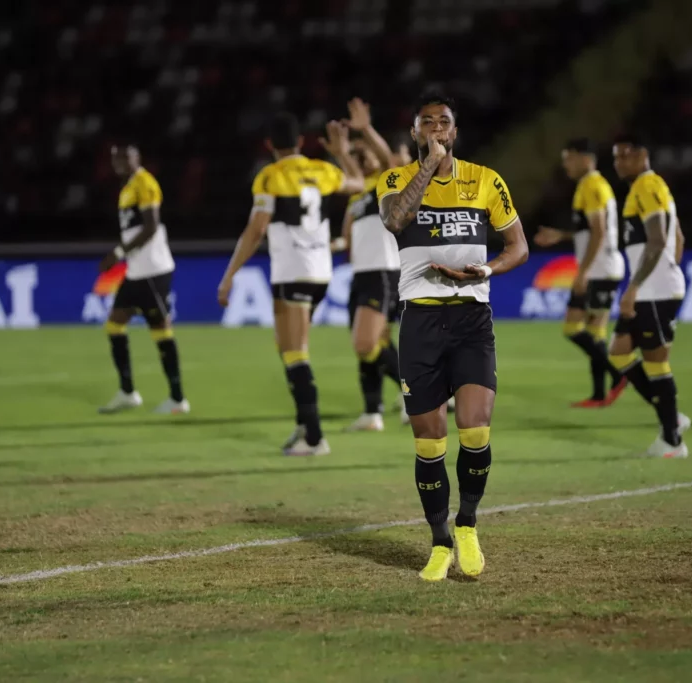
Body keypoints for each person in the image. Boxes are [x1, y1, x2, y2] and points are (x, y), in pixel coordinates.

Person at [377, 91, 529, 581]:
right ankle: (439, 540)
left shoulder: (486, 181)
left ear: (455, 131)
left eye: (444, 123)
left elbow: (518, 247)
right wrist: (431, 167)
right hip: (420, 322)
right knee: (429, 441)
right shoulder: (396, 180)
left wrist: (484, 269)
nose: (437, 130)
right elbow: (396, 219)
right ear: (416, 133)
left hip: (470, 319)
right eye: (427, 123)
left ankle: (467, 524)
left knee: (476, 427)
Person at [217, 113, 365, 456]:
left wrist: (229, 275)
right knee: (286, 346)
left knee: (295, 351)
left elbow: (256, 230)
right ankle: (303, 423)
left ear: (270, 145)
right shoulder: (322, 170)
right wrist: (341, 152)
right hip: (321, 273)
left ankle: (314, 437)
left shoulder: (270, 176)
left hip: (292, 271)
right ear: (301, 142)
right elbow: (359, 183)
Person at [608, 137, 690, 458]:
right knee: (619, 353)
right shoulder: (652, 187)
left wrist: (636, 287)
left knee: (656, 363)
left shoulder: (646, 185)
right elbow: (678, 238)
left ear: (643, 155)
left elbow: (657, 241)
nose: (618, 163)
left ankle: (672, 441)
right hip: (656, 286)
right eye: (615, 158)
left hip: (652, 291)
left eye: (625, 156)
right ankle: (672, 417)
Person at [331, 99, 409, 431]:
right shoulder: (355, 197)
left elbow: (390, 158)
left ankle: (418, 392)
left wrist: (365, 130)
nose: (363, 159)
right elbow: (345, 241)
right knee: (371, 346)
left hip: (383, 271)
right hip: (360, 274)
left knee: (366, 343)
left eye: (366, 155)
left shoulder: (387, 182)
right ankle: (372, 412)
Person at [534, 138, 627, 408]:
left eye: (569, 158)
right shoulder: (591, 186)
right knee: (595, 332)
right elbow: (591, 229)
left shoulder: (592, 185)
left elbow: (599, 230)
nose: (565, 165)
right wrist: (561, 235)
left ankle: (618, 374)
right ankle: (599, 395)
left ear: (585, 158)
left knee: (573, 328)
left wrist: (582, 272)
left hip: (600, 269)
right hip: (604, 268)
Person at [98, 144, 188, 415]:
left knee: (160, 330)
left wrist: (118, 252)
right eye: (116, 158)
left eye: (125, 157)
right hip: (137, 272)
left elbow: (151, 227)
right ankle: (127, 392)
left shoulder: (145, 183)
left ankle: (177, 398)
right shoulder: (126, 189)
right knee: (114, 325)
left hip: (153, 271)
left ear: (137, 158)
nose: (119, 162)